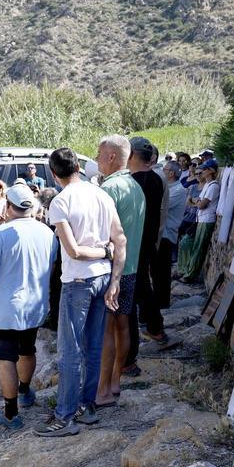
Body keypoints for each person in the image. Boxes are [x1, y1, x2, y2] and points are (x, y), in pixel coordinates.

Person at [36, 148, 123, 438]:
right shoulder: (102, 194)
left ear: (53, 173)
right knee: (93, 347)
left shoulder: (60, 201)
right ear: (77, 166)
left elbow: (72, 250)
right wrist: (114, 277)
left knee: (70, 351)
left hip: (78, 281)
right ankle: (87, 407)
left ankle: (64, 416)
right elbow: (119, 238)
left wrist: (99, 252)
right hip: (103, 277)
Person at [0, 185, 54, 429]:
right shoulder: (47, 232)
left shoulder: (1, 234)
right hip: (35, 306)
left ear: (8, 206)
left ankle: (10, 413)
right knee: (27, 350)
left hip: (5, 310)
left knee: (6, 359)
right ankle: (26, 392)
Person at [95, 135, 146, 408]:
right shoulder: (135, 186)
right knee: (123, 325)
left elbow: (100, 233)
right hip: (132, 266)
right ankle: (115, 382)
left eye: (99, 153)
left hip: (112, 269)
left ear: (112, 156)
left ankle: (101, 389)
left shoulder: (109, 189)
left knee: (106, 329)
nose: (96, 158)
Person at [126, 137, 168, 365]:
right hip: (150, 240)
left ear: (131, 155)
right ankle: (155, 326)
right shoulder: (157, 179)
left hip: (136, 242)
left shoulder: (132, 182)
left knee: (139, 286)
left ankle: (153, 328)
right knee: (143, 284)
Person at [177, 159, 219, 282]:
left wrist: (196, 202)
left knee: (198, 249)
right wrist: (197, 202)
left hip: (206, 220)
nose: (201, 172)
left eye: (205, 169)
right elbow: (194, 201)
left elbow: (201, 204)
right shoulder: (207, 185)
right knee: (187, 243)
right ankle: (185, 270)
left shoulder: (213, 186)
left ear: (211, 171)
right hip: (199, 219)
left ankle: (190, 275)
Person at [157, 162, 188, 310]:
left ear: (171, 174)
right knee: (156, 271)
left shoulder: (179, 190)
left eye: (165, 169)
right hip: (160, 234)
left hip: (167, 235)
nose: (162, 171)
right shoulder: (167, 188)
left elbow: (162, 206)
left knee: (162, 272)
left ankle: (163, 303)